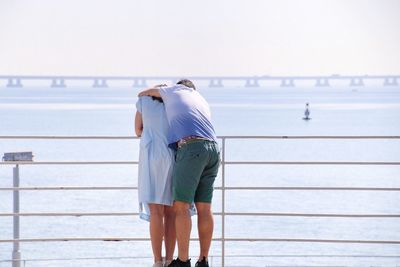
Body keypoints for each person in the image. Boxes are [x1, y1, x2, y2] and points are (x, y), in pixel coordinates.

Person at [138, 79, 220, 267]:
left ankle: (182, 261)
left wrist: (151, 92)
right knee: (205, 209)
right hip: (214, 149)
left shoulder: (174, 90)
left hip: (192, 148)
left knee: (180, 207)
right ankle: (203, 260)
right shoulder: (201, 99)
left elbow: (145, 92)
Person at [135, 91, 176, 267]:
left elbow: (138, 130)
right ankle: (169, 259)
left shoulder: (143, 101)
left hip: (151, 155)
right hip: (171, 155)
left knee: (156, 212)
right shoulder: (173, 102)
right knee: (171, 213)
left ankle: (157, 261)